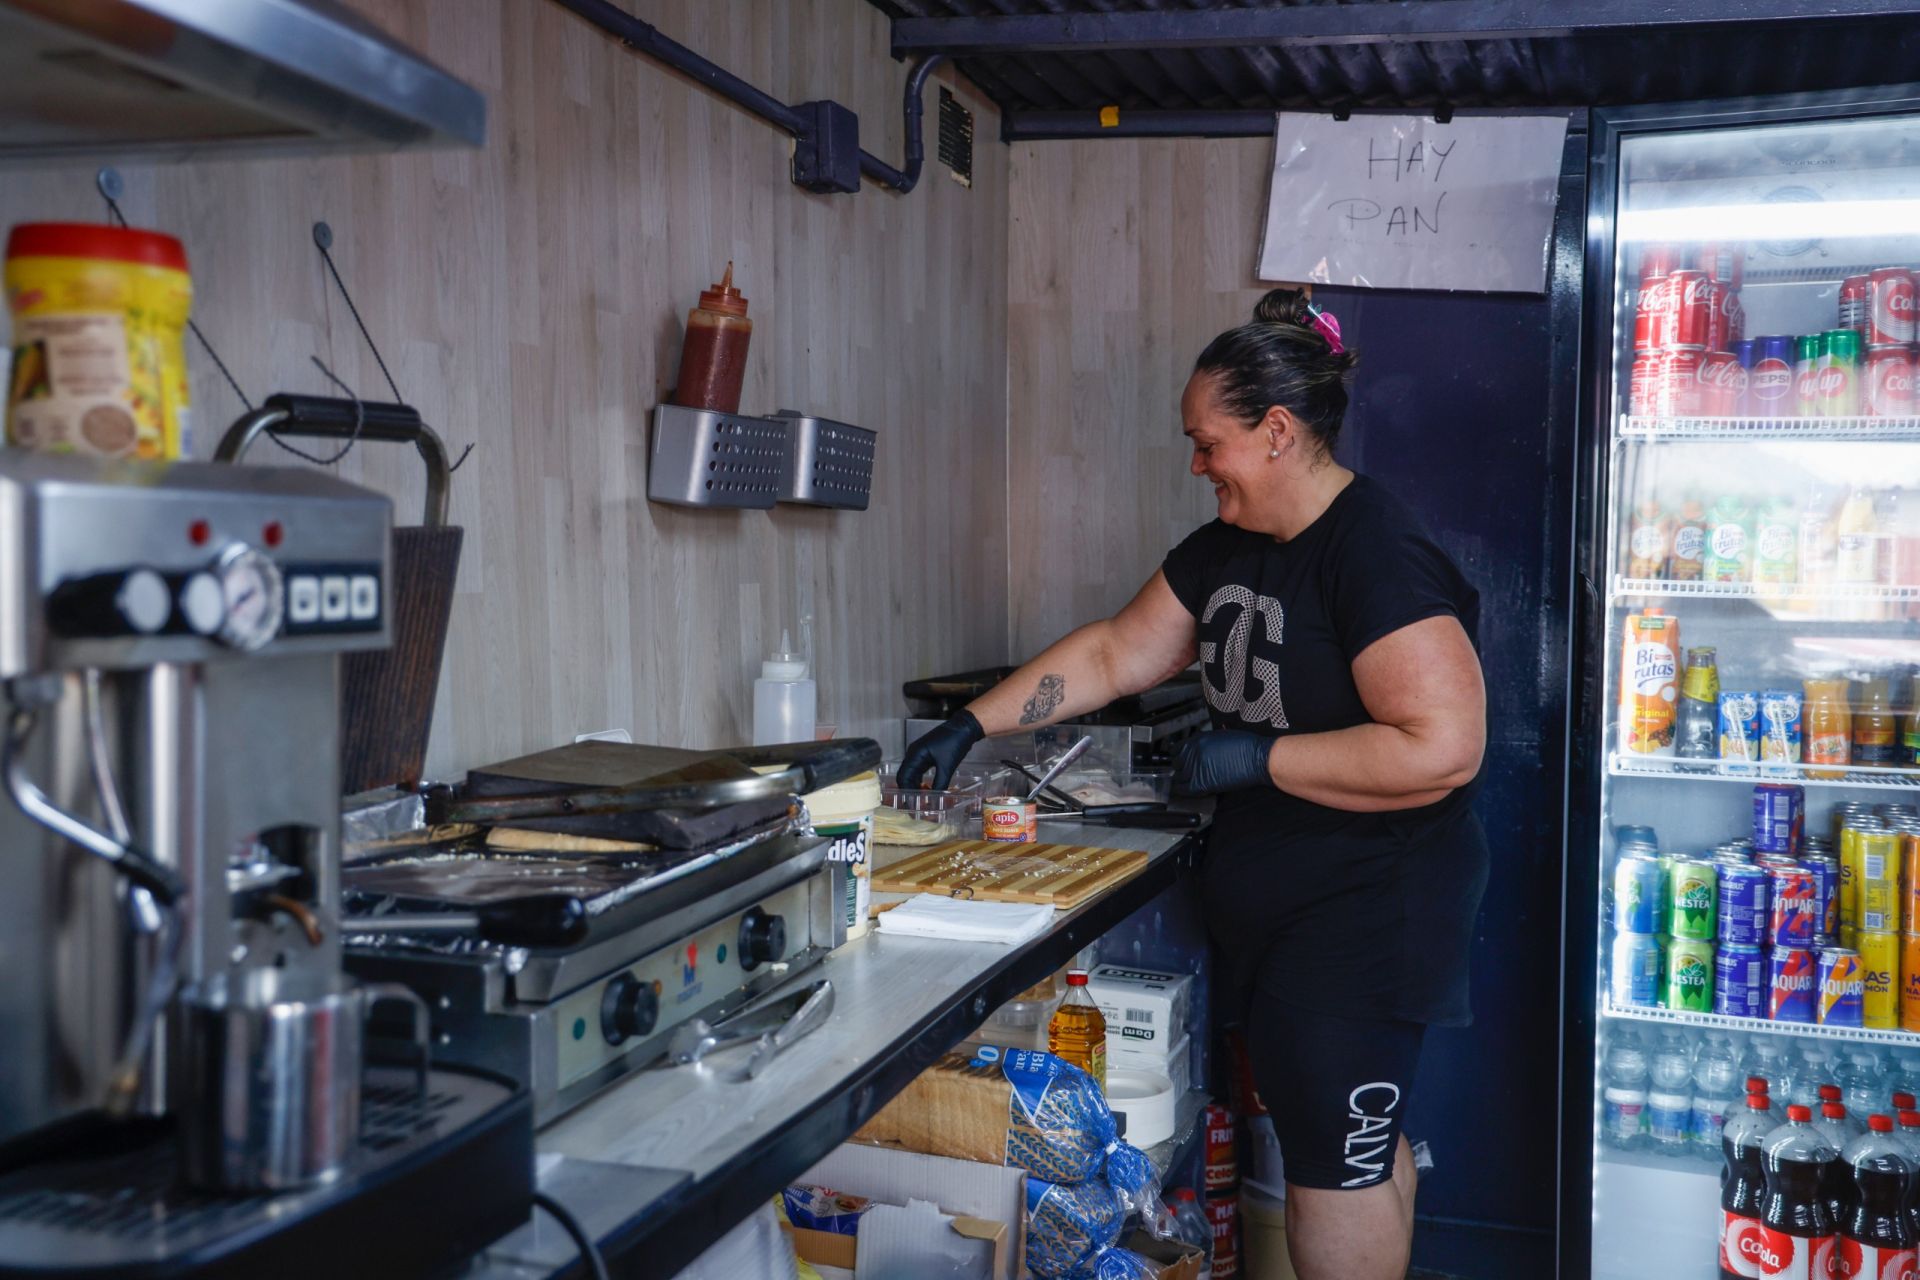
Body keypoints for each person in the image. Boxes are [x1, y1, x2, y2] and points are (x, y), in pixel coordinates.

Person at [897, 288, 1489, 1280]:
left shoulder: (1373, 550)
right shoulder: (1227, 549)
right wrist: (972, 721)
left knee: (1330, 1164)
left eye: (1207, 441)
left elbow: (1441, 746)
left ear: (1276, 432)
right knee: (1348, 1135)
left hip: (1368, 909)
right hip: (1292, 904)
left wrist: (1262, 757)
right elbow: (1120, 652)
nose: (1196, 463)